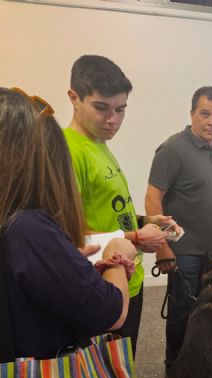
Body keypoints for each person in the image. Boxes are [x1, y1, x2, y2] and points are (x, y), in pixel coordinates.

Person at [0, 86, 136, 368]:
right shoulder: (27, 228)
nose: (112, 119)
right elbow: (108, 313)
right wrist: (118, 255)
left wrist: (65, 265)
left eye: (120, 110)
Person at [64, 55, 175, 356]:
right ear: (74, 98)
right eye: (101, 108)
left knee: (124, 369)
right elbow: (66, 232)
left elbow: (109, 210)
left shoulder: (99, 145)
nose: (113, 120)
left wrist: (144, 220)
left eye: (120, 109)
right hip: (100, 286)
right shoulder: (69, 151)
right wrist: (137, 239)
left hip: (128, 280)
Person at [145, 86, 212, 372]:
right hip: (185, 251)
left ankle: (204, 366)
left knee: (210, 313)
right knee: (183, 313)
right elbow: (153, 197)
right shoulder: (173, 149)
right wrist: (162, 246)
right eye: (205, 114)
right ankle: (175, 370)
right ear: (192, 114)